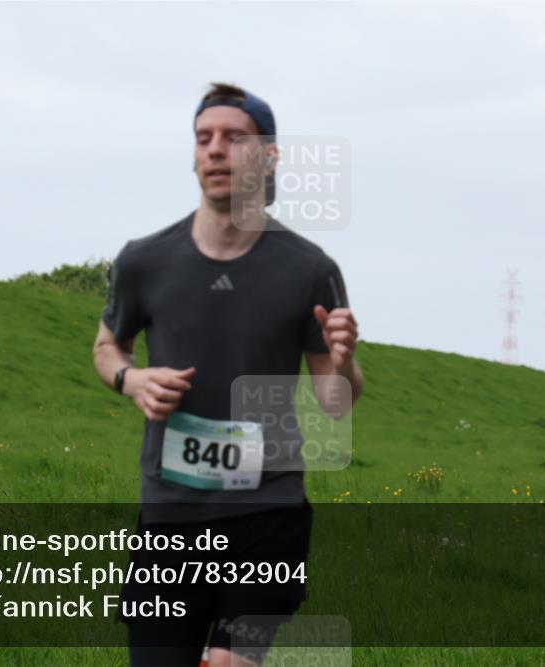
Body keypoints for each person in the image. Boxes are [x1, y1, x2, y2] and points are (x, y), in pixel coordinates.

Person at [92, 82, 364, 667]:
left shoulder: (310, 269)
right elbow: (107, 346)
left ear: (268, 156)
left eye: (234, 138)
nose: (215, 150)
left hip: (268, 509)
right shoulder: (143, 260)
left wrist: (342, 363)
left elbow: (336, 402)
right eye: (203, 138)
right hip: (170, 514)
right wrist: (130, 380)